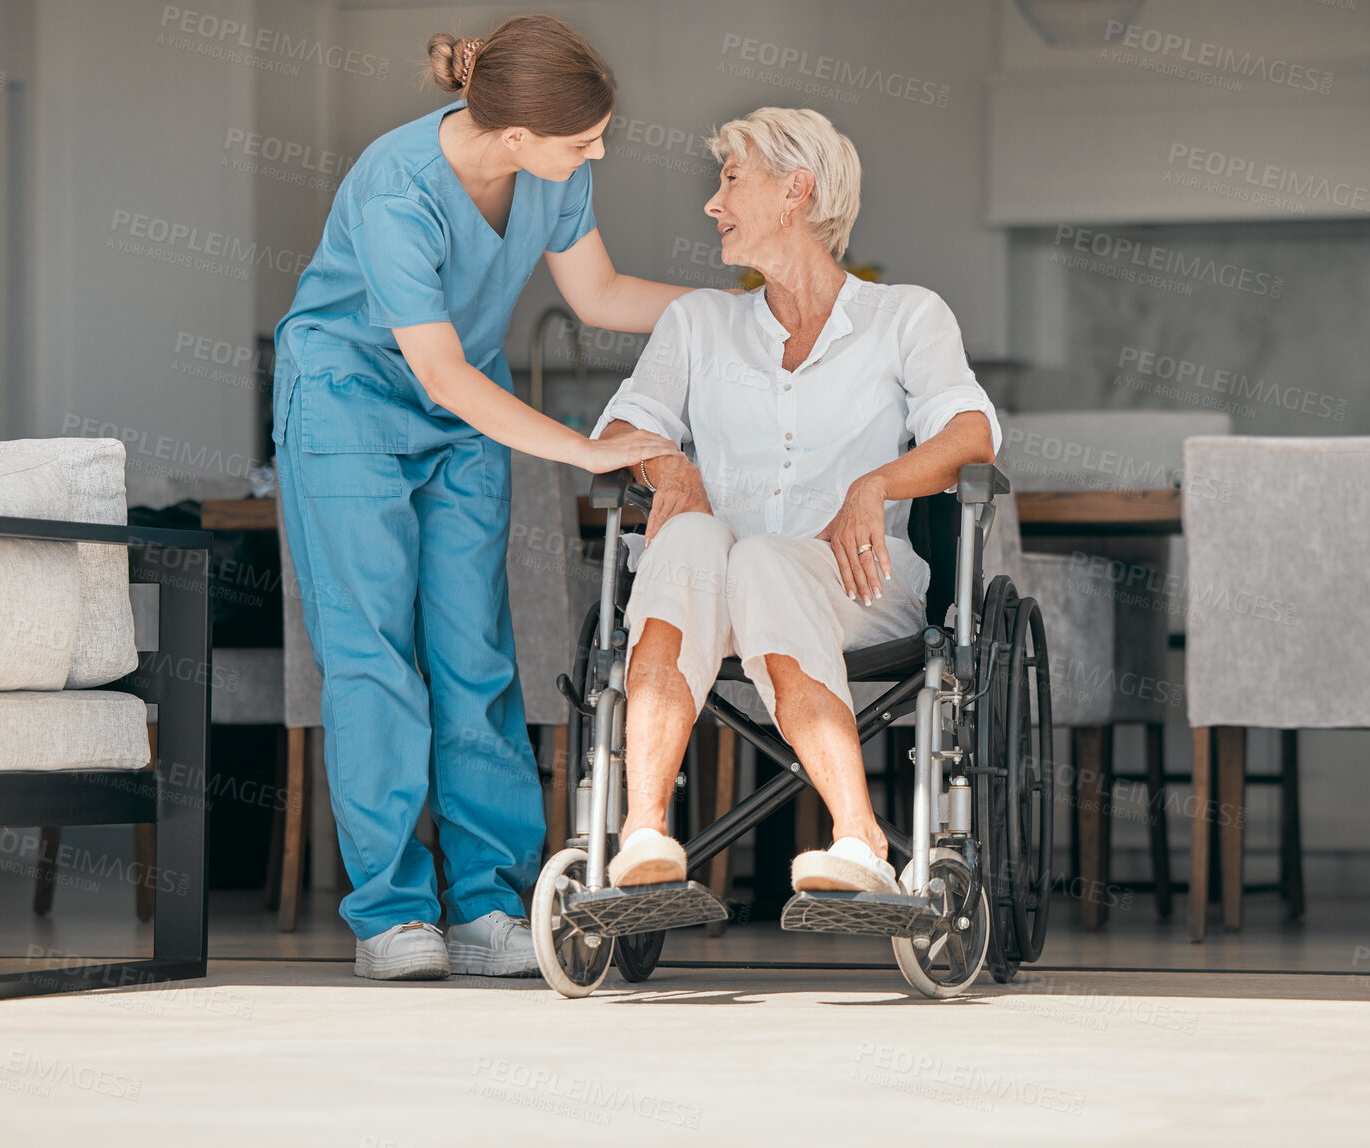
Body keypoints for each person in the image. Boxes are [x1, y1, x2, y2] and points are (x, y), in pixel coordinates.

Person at [272, 15, 693, 980]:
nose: (596, 152)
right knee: (374, 656)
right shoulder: (395, 188)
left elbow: (599, 294)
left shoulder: (554, 172)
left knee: (477, 656)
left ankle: (489, 905)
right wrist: (586, 452)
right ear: (512, 136)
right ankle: (390, 915)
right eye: (582, 140)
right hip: (350, 403)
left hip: (466, 410)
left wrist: (737, 303)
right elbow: (440, 371)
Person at [590, 107, 1002, 895]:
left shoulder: (904, 316)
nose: (712, 203)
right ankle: (643, 834)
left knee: (770, 561)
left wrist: (873, 483)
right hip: (704, 592)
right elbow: (622, 428)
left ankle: (858, 841)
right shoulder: (698, 322)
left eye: (731, 179)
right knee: (687, 541)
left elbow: (969, 433)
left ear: (795, 191)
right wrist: (668, 468)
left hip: (854, 589)